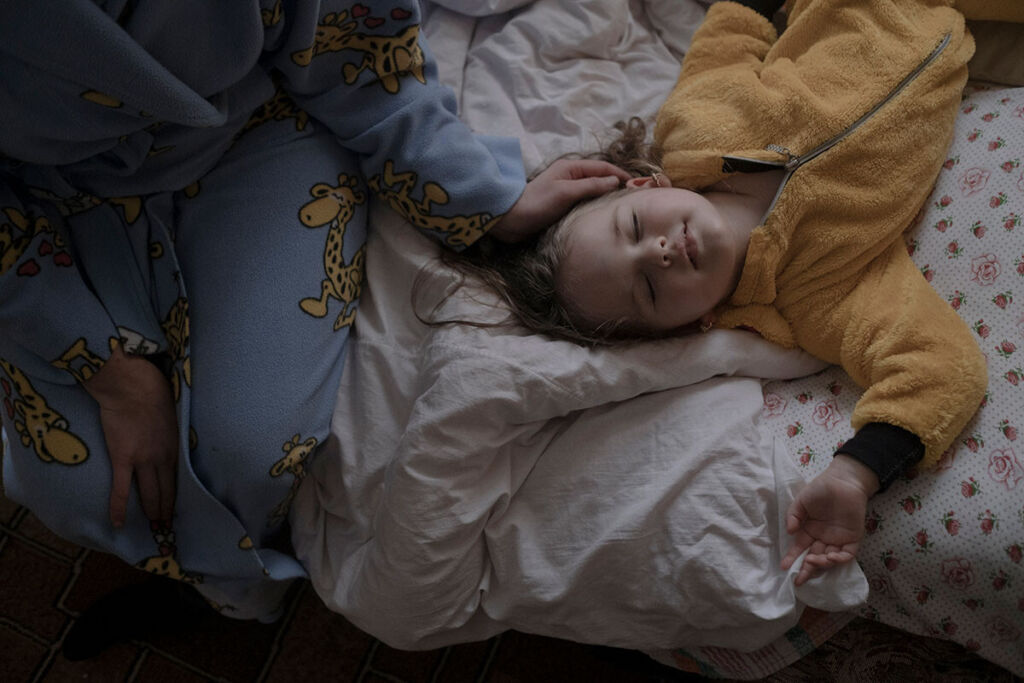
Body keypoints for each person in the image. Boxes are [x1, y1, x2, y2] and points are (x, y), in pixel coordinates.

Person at [0, 0, 630, 656]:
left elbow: (359, 50)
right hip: (44, 205)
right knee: (85, 489)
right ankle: (224, 585)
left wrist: (484, 198)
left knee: (251, 453)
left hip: (252, 130)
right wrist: (109, 370)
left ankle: (229, 587)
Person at [444, 0, 1016, 587]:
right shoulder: (822, 295)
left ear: (643, 183)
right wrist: (854, 474)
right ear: (694, 324)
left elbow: (732, 29)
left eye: (634, 226)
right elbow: (939, 370)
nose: (658, 253)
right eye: (650, 288)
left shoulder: (695, 124)